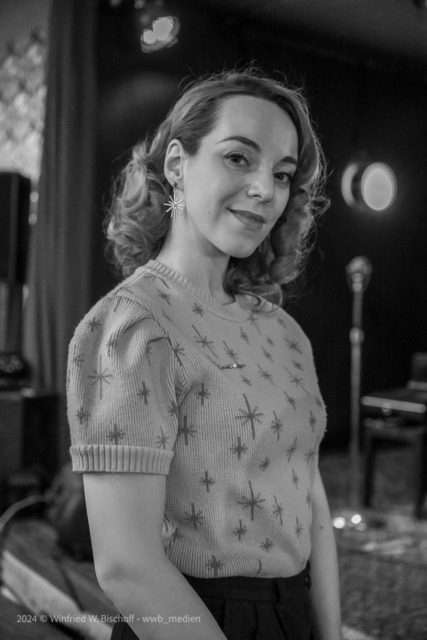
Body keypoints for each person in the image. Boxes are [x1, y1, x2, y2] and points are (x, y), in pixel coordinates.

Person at [67, 68, 342, 640]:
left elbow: (310, 499)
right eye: (239, 158)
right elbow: (128, 568)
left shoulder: (284, 331)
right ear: (176, 164)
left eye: (282, 174)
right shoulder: (133, 325)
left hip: (292, 609)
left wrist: (329, 632)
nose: (265, 189)